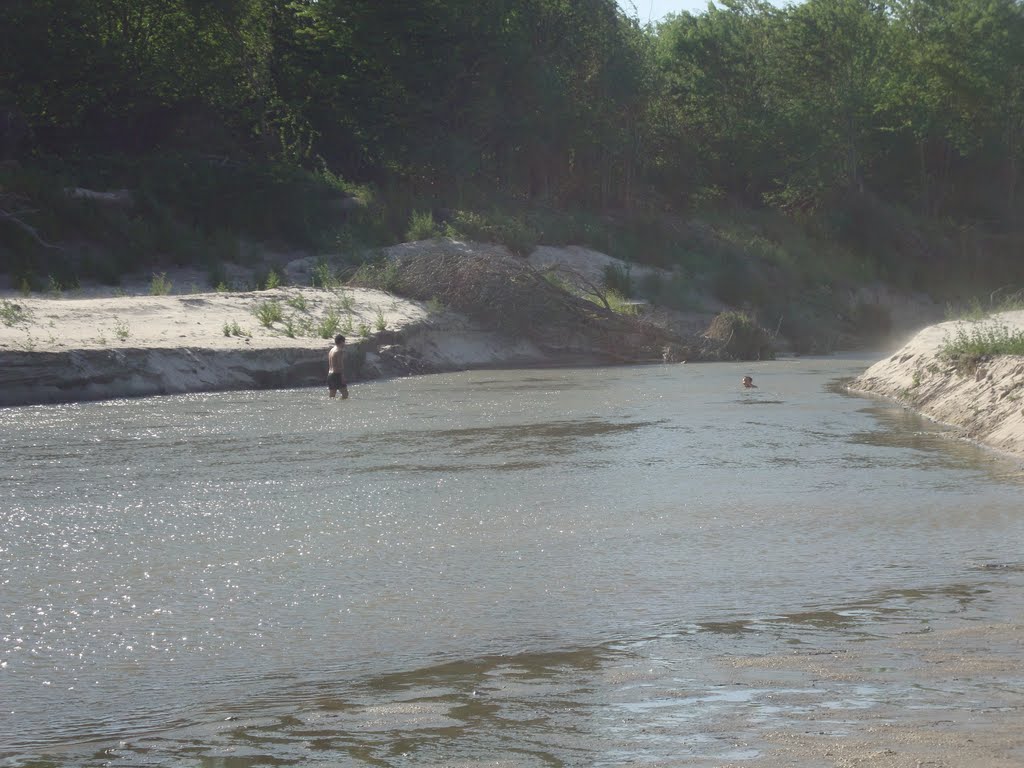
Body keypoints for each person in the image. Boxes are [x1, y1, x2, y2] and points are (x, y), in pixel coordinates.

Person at [327, 334, 348, 399]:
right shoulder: (339, 351)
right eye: (344, 342)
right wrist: (342, 376)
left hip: (330, 375)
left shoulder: (332, 350)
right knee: (345, 394)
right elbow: (340, 364)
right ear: (341, 342)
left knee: (332, 396)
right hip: (336, 374)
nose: (344, 344)